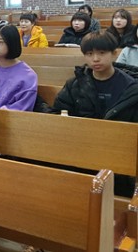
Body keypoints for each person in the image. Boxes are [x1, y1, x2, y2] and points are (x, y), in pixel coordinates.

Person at [53, 31, 138, 197]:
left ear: (114, 53)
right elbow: (58, 111)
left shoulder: (131, 88)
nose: (95, 59)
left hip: (119, 156)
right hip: (81, 150)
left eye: (102, 53)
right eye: (89, 54)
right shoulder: (75, 84)